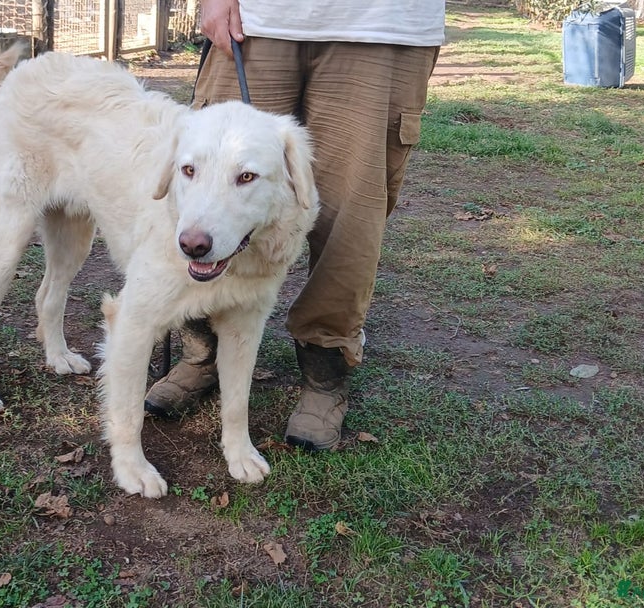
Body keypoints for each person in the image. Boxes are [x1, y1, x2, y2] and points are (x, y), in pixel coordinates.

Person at [144, 0, 446, 450]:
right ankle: (203, 351)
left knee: (351, 217)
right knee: (209, 183)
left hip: (383, 24)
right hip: (255, 16)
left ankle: (326, 371)